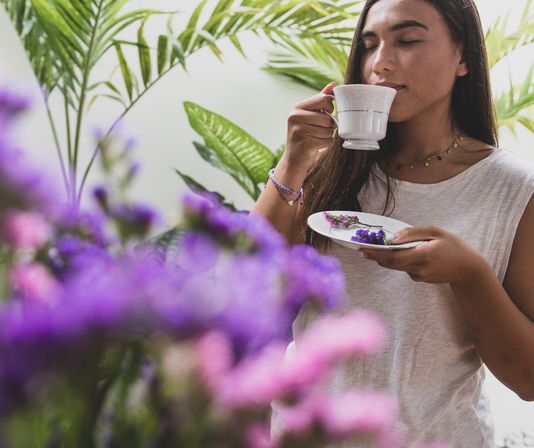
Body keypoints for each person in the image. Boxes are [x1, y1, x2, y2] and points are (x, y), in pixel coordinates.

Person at [251, 0, 534, 446]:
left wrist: (470, 274)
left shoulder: (515, 190)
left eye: (407, 40)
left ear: (463, 58)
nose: (379, 63)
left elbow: (528, 379)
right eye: (369, 45)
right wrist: (291, 164)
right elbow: (245, 281)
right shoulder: (323, 169)